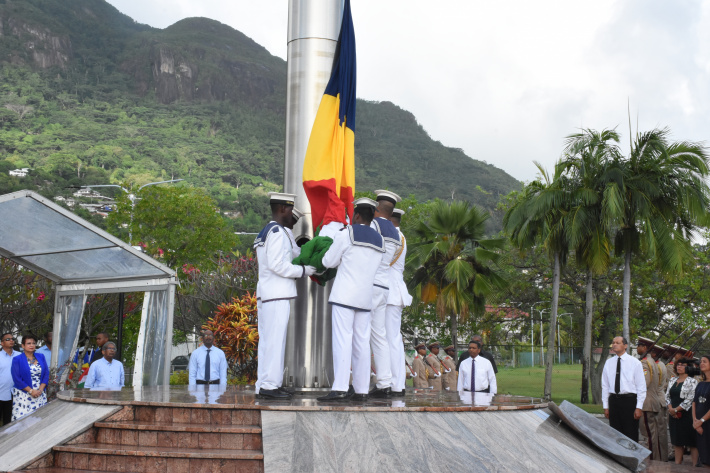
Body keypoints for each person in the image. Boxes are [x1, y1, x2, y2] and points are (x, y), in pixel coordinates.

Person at [317, 198, 385, 402]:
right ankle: (362, 389)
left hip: (345, 296)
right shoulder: (379, 240)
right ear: (372, 216)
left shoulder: (347, 233)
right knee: (362, 344)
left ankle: (339, 387)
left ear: (356, 215)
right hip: (365, 298)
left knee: (342, 341)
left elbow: (328, 261)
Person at [254, 192, 316, 400]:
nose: (292, 215)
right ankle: (270, 385)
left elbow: (290, 255)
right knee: (274, 341)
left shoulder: (268, 231)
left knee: (268, 342)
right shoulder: (278, 232)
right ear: (282, 209)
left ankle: (265, 383)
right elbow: (277, 265)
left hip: (269, 293)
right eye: (290, 209)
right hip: (276, 294)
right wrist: (303, 271)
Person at [368, 190, 402, 398]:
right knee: (380, 336)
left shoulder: (374, 226)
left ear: (377, 209)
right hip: (384, 285)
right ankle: (385, 382)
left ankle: (362, 383)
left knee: (363, 335)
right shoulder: (397, 233)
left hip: (370, 282)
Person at [386, 208, 412, 397]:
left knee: (391, 340)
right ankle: (394, 383)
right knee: (391, 340)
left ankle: (395, 384)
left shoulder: (393, 236)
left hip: (390, 293)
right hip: (392, 292)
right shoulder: (398, 235)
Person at [601, 336, 646, 442]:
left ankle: (632, 457)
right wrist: (606, 406)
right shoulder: (609, 362)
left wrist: (639, 407)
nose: (614, 344)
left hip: (629, 401)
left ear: (625, 346)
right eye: (613, 342)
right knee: (615, 433)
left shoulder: (635, 363)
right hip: (614, 400)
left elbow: (641, 386)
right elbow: (605, 386)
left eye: (618, 342)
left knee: (630, 432)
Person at [665, 357, 698, 465]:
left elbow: (691, 398)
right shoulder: (672, 380)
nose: (679, 366)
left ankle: (695, 466)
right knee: (677, 441)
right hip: (673, 415)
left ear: (688, 367)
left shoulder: (692, 381)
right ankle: (677, 465)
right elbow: (667, 396)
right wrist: (670, 409)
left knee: (691, 441)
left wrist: (677, 409)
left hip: (687, 414)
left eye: (682, 365)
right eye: (678, 364)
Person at [637, 337, 664, 461]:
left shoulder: (645, 362)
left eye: (639, 346)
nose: (637, 348)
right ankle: (655, 459)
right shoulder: (652, 361)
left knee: (648, 435)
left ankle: (652, 461)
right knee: (652, 434)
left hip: (647, 403)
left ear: (645, 348)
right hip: (652, 401)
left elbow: (644, 383)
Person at [10, 334, 48, 421]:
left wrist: (40, 390)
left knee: (39, 418)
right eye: (29, 343)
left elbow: (46, 374)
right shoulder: (17, 359)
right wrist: (31, 391)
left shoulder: (41, 356)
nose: (32, 345)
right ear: (23, 345)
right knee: (23, 420)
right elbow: (17, 379)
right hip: (24, 394)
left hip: (39, 394)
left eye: (34, 343)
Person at [693, 355, 710, 467]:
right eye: (701, 361)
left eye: (705, 361)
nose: (701, 363)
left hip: (707, 424)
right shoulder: (700, 383)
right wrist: (695, 421)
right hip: (698, 425)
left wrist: (702, 421)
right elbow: (694, 402)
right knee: (703, 456)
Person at [0, 332, 20, 425]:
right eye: (8, 339)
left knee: (9, 422)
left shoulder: (20, 356)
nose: (11, 340)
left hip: (15, 394)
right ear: (2, 343)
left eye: (12, 339)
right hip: (1, 393)